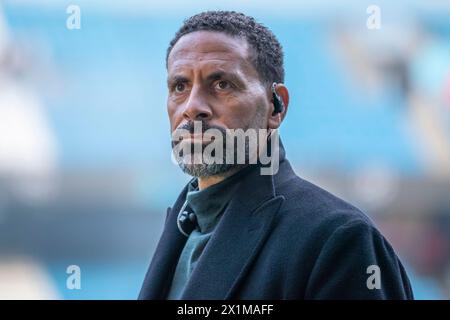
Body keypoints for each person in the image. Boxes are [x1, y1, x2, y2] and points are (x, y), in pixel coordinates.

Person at [139, 11, 414, 300]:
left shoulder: (339, 239)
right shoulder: (182, 226)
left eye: (222, 85)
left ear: (275, 106)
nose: (192, 106)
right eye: (179, 87)